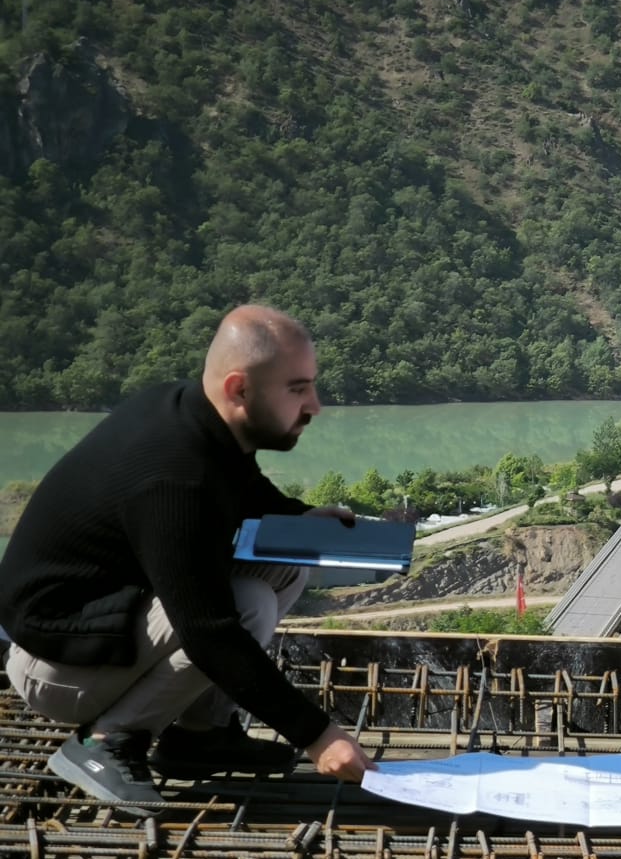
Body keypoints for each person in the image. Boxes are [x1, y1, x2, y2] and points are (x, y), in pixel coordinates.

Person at [0, 305, 374, 805]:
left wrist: (297, 516)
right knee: (243, 606)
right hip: (56, 663)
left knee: (285, 564)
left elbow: (238, 484)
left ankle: (200, 735)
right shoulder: (173, 477)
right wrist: (318, 735)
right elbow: (208, 631)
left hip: (112, 615)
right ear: (239, 389)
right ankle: (106, 741)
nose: (315, 406)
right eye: (297, 388)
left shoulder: (191, 412)